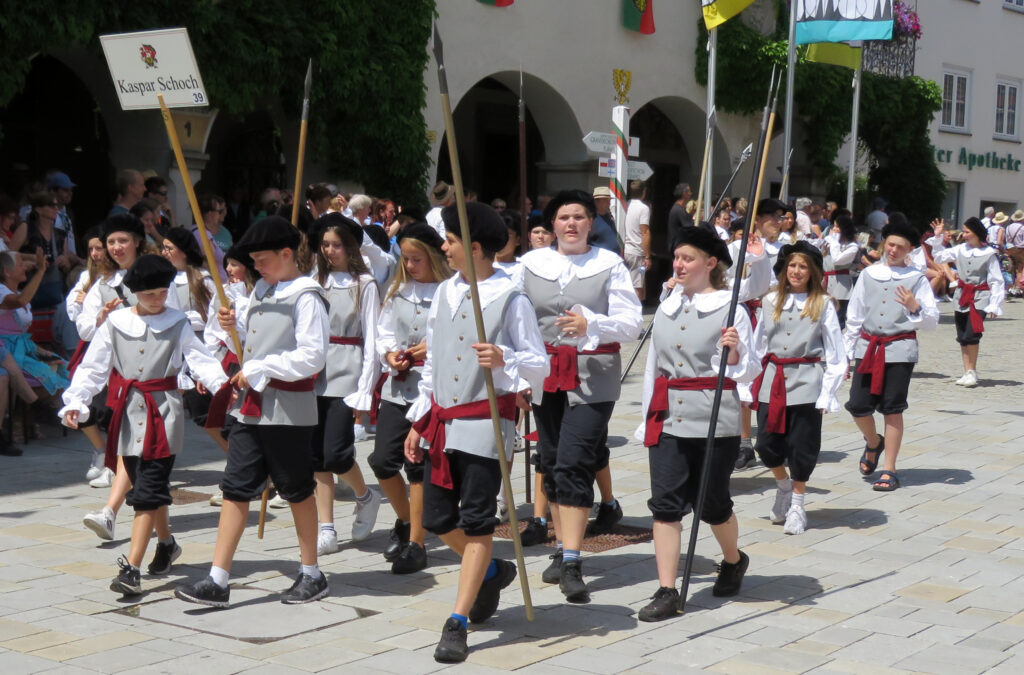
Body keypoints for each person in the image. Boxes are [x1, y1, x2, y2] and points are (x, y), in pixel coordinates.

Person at [403, 202, 547, 663]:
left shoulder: (511, 297)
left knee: (478, 518)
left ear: (477, 247)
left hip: (487, 422)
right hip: (443, 421)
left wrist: (506, 359)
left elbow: (538, 364)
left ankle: (458, 621)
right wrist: (419, 420)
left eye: (450, 241)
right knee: (437, 518)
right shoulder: (446, 291)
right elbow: (434, 362)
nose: (444, 249)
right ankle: (489, 572)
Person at [176, 216, 330, 607]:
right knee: (235, 486)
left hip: (289, 410)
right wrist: (235, 327)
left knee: (296, 489)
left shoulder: (307, 296)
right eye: (254, 261)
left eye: (262, 260)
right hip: (250, 408)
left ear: (286, 253)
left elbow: (312, 356)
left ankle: (312, 572)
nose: (256, 268)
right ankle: (217, 577)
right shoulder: (261, 289)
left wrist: (262, 368)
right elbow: (255, 344)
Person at [60, 255, 227, 597]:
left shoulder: (177, 321)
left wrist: (225, 388)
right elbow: (93, 367)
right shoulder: (116, 322)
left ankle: (131, 570)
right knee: (147, 484)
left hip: (163, 415)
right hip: (127, 413)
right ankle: (166, 544)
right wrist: (76, 400)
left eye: (162, 293)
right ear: (135, 293)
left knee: (148, 490)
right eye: (149, 294)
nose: (157, 299)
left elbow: (201, 360)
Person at [519, 190, 642, 603]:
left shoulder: (609, 264)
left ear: (591, 223)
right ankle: (561, 547)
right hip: (544, 374)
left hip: (593, 376)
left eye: (578, 217)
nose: (570, 224)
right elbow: (512, 318)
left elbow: (631, 324)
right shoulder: (530, 265)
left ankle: (572, 560)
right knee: (553, 461)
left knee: (575, 460)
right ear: (552, 224)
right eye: (563, 217)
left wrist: (592, 324)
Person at [635, 225, 759, 621]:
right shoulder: (667, 305)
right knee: (665, 504)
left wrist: (734, 352)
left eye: (687, 258)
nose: (678, 264)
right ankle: (667, 589)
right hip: (668, 416)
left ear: (710, 263)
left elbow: (749, 369)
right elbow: (654, 367)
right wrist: (646, 419)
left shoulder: (731, 308)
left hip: (714, 418)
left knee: (712, 503)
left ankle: (734, 559)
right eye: (676, 257)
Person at [78, 214, 177, 536]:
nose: (116, 247)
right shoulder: (102, 283)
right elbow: (84, 328)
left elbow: (175, 320)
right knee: (133, 446)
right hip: (121, 376)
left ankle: (113, 511)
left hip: (155, 376)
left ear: (137, 241)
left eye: (123, 240)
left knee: (138, 447)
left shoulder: (158, 273)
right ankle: (160, 536)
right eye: (111, 242)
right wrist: (102, 318)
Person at [370, 222, 451, 574]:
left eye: (417, 258)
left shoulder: (449, 291)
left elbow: (457, 336)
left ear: (433, 257)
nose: (410, 265)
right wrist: (389, 353)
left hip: (430, 388)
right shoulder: (398, 290)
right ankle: (406, 520)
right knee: (381, 460)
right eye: (405, 258)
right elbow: (384, 331)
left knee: (417, 464)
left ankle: (417, 543)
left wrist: (431, 347)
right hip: (397, 386)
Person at [751, 242, 846, 535]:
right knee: (766, 444)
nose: (796, 271)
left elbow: (836, 351)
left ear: (812, 271)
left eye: (803, 266)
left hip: (807, 379)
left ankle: (797, 505)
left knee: (801, 446)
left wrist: (828, 392)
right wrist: (747, 381)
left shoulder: (823, 303)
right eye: (792, 265)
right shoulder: (770, 301)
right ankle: (783, 485)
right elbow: (758, 345)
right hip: (773, 379)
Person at [844, 218, 939, 492]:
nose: (894, 250)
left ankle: (889, 468)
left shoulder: (916, 279)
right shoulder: (868, 274)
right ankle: (874, 442)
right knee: (857, 405)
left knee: (892, 408)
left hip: (900, 349)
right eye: (891, 244)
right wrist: (846, 353)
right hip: (869, 348)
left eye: (900, 246)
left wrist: (914, 306)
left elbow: (931, 322)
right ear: (884, 243)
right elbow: (854, 315)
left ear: (910, 250)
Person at [309, 214, 383, 556]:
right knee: (316, 457)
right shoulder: (314, 281)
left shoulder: (364, 285)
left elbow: (373, 340)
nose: (329, 251)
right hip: (314, 372)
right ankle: (326, 527)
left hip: (348, 371)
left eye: (336, 245)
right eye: (325, 245)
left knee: (336, 453)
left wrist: (365, 389)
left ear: (350, 247)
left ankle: (365, 495)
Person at [929, 218, 1004, 387]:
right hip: (962, 296)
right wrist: (938, 237)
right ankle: (967, 371)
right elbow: (939, 257)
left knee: (972, 334)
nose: (964, 235)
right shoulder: (961, 249)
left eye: (967, 231)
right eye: (963, 231)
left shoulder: (989, 253)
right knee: (962, 335)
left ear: (976, 233)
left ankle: (972, 371)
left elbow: (996, 280)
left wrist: (994, 304)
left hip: (980, 297)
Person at [65, 226, 112, 480]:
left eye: (99, 248)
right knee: (79, 398)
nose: (94, 254)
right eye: (91, 249)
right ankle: (100, 449)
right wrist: (88, 306)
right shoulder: (86, 276)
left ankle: (116, 462)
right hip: (92, 345)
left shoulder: (120, 276)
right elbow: (74, 311)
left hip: (119, 346)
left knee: (111, 406)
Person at [824, 214, 860, 327]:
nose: (834, 229)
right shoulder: (830, 242)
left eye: (837, 227)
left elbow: (837, 260)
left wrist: (834, 242)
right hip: (824, 282)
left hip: (840, 286)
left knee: (837, 319)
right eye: (834, 226)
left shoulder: (852, 247)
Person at [623, 180, 651, 300]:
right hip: (637, 254)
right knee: (637, 287)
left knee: (632, 284)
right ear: (643, 192)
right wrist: (647, 256)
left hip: (626, 250)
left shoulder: (625, 205)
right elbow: (645, 232)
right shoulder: (643, 208)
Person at [590, 187, 620, 254]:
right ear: (596, 202)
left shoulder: (609, 217)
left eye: (609, 200)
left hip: (614, 256)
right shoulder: (591, 220)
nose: (609, 203)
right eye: (606, 200)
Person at [666, 183, 693, 251]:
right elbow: (689, 228)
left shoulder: (679, 209)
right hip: (678, 247)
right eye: (689, 191)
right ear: (684, 193)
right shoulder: (678, 210)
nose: (691, 193)